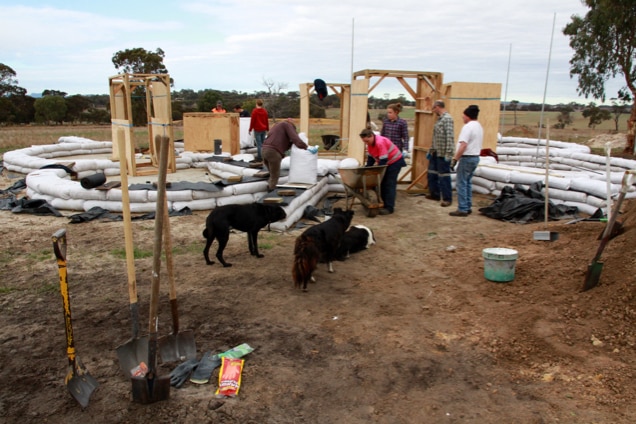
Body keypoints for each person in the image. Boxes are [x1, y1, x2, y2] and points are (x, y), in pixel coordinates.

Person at [359, 128, 407, 215]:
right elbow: (370, 159)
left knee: (389, 184)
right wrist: (366, 169)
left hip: (395, 162)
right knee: (382, 183)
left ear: (372, 136)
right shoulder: (370, 144)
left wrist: (377, 171)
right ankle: (383, 203)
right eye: (364, 142)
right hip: (387, 162)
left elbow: (383, 160)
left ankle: (389, 208)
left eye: (367, 141)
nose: (366, 143)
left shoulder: (380, 142)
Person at [449, 105, 483, 217]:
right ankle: (467, 206)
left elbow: (463, 145)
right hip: (475, 157)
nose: (462, 118)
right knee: (467, 182)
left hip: (467, 157)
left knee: (461, 183)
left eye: (463, 116)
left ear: (467, 116)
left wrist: (455, 159)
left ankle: (462, 208)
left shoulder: (468, 127)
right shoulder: (478, 126)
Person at [261, 120, 308, 191]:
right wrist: (306, 147)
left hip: (264, 150)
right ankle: (271, 195)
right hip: (273, 152)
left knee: (271, 174)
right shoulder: (287, 125)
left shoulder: (277, 127)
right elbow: (294, 138)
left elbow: (285, 143)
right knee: (275, 176)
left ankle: (266, 191)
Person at [426, 100, 455, 207]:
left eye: (433, 108)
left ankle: (447, 198)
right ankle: (435, 194)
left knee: (444, 176)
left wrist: (449, 153)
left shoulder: (447, 119)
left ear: (437, 107)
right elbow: (435, 137)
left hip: (443, 153)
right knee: (431, 174)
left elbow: (449, 136)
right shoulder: (439, 120)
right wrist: (431, 150)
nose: (433, 111)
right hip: (435, 151)